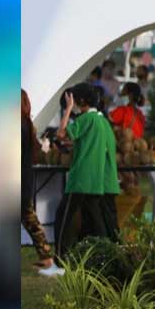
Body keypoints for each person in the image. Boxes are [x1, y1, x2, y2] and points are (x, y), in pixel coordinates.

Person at [53, 83, 120, 258]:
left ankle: (60, 258)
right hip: (96, 179)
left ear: (81, 101)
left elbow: (60, 134)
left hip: (80, 177)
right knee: (97, 222)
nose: (73, 105)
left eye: (74, 101)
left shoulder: (85, 119)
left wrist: (68, 109)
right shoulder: (100, 121)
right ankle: (108, 255)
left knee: (64, 218)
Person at [21, 90, 57, 274]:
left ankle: (46, 257)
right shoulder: (28, 125)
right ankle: (46, 256)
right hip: (25, 178)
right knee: (30, 219)